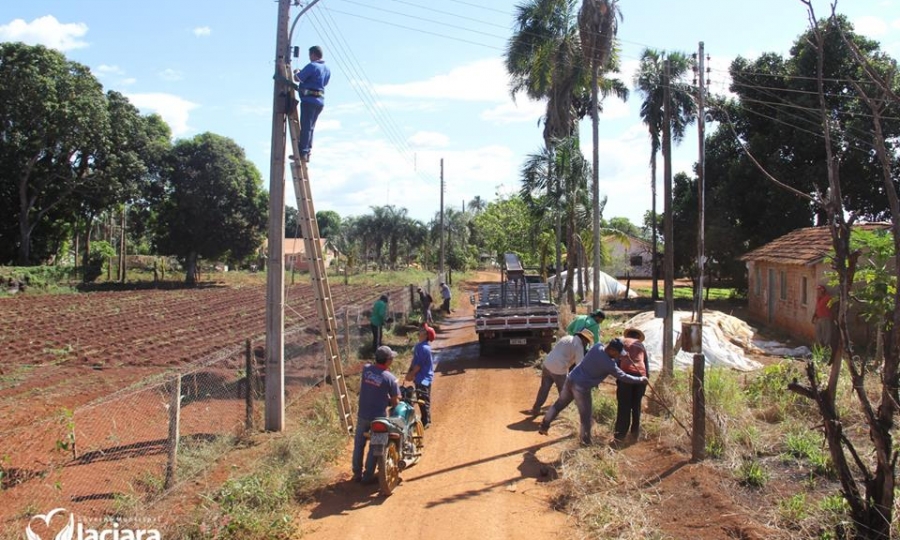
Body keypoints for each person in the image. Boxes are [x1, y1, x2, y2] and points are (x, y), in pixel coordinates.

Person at [538, 338, 647, 446]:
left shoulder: (597, 347)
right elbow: (624, 377)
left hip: (571, 379)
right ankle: (585, 442)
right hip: (581, 388)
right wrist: (640, 379)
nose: (618, 356)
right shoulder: (609, 365)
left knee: (559, 404)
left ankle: (544, 425)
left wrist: (621, 356)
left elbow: (608, 354)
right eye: (617, 353)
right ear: (612, 350)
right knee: (586, 416)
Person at [353, 346, 401, 484]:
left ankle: (356, 473)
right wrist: (392, 400)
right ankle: (367, 476)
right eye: (391, 358)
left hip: (363, 414)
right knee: (376, 446)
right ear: (388, 361)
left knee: (359, 445)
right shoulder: (390, 378)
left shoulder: (366, 370)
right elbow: (395, 401)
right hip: (379, 418)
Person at [529, 329, 593, 415]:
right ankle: (559, 413)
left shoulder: (566, 338)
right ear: (584, 339)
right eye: (587, 342)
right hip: (559, 369)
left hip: (547, 364)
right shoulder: (579, 346)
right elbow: (579, 366)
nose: (586, 344)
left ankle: (536, 409)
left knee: (544, 389)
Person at [293, 45, 331, 162]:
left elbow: (297, 78)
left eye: (310, 55)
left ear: (313, 54)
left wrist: (297, 72)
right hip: (319, 102)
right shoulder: (326, 69)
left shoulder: (312, 66)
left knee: (306, 127)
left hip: (309, 100)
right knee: (311, 128)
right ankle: (307, 152)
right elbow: (324, 83)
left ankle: (303, 152)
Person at [614, 328, 649, 444]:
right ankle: (635, 434)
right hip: (640, 376)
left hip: (626, 376)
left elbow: (617, 362)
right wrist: (645, 383)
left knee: (624, 406)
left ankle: (620, 435)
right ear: (638, 337)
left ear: (628, 335)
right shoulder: (641, 346)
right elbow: (646, 366)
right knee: (636, 406)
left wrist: (618, 379)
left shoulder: (622, 343)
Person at [406, 324, 436, 428]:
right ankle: (426, 419)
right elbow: (414, 361)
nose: (421, 330)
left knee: (423, 397)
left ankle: (426, 420)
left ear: (426, 335)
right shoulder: (419, 346)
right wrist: (409, 371)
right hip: (421, 378)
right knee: (421, 397)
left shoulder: (424, 348)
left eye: (424, 330)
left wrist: (411, 374)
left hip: (425, 378)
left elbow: (419, 365)